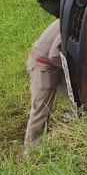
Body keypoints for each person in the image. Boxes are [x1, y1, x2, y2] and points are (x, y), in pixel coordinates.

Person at [23, 19, 68, 153]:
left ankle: (80, 120)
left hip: (55, 65)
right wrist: (75, 68)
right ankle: (31, 151)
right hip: (42, 66)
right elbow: (54, 55)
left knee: (79, 96)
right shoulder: (71, 22)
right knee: (41, 109)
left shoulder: (71, 15)